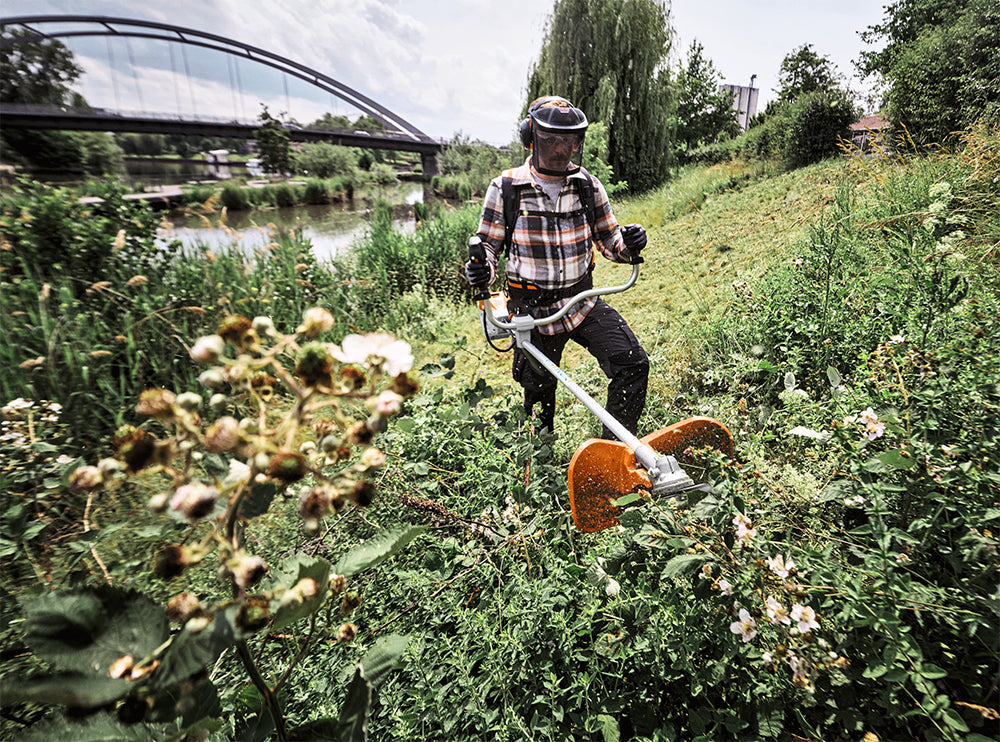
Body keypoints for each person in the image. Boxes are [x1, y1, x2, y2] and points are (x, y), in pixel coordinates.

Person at [464, 95, 649, 439]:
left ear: (578, 142)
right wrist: (480, 270)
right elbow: (488, 248)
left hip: (582, 302)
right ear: (531, 137)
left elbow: (611, 242)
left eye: (568, 141)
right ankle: (542, 462)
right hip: (530, 312)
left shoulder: (587, 185)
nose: (560, 149)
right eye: (551, 140)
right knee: (539, 394)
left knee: (632, 362)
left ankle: (615, 450)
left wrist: (631, 244)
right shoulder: (506, 189)